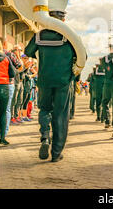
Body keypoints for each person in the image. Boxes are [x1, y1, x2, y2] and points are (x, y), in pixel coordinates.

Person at [25, 10, 77, 162]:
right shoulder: (70, 36)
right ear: (63, 20)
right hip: (63, 81)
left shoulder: (39, 35)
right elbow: (82, 55)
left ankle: (45, 137)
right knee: (60, 115)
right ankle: (56, 153)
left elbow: (28, 51)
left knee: (45, 109)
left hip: (45, 80)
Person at [0, 38, 23, 133]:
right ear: (4, 44)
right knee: (6, 108)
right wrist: (14, 72)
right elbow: (20, 66)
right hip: (8, 83)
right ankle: (4, 130)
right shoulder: (9, 54)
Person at [100, 47, 113, 128]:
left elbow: (103, 68)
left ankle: (107, 121)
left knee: (105, 102)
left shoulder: (104, 59)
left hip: (107, 83)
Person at [10, 46, 24, 125]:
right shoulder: (12, 57)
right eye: (19, 50)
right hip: (14, 81)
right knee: (13, 100)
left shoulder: (18, 58)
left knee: (19, 100)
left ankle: (16, 116)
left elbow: (21, 68)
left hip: (20, 81)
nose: (20, 51)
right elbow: (17, 69)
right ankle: (12, 117)